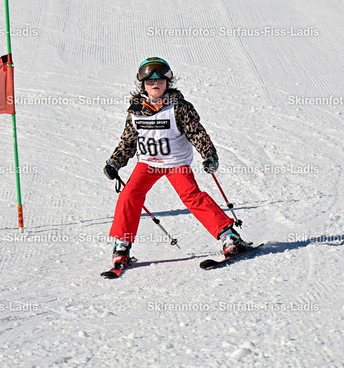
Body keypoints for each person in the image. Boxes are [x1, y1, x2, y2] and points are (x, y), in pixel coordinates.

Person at [103, 57, 250, 267]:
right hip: (148, 164)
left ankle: (229, 237)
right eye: (150, 81)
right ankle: (122, 245)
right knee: (129, 196)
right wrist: (115, 162)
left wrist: (209, 154)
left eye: (160, 81)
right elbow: (128, 141)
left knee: (192, 196)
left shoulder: (179, 107)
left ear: (167, 83)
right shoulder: (135, 112)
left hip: (176, 163)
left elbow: (196, 133)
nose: (155, 84)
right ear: (143, 85)